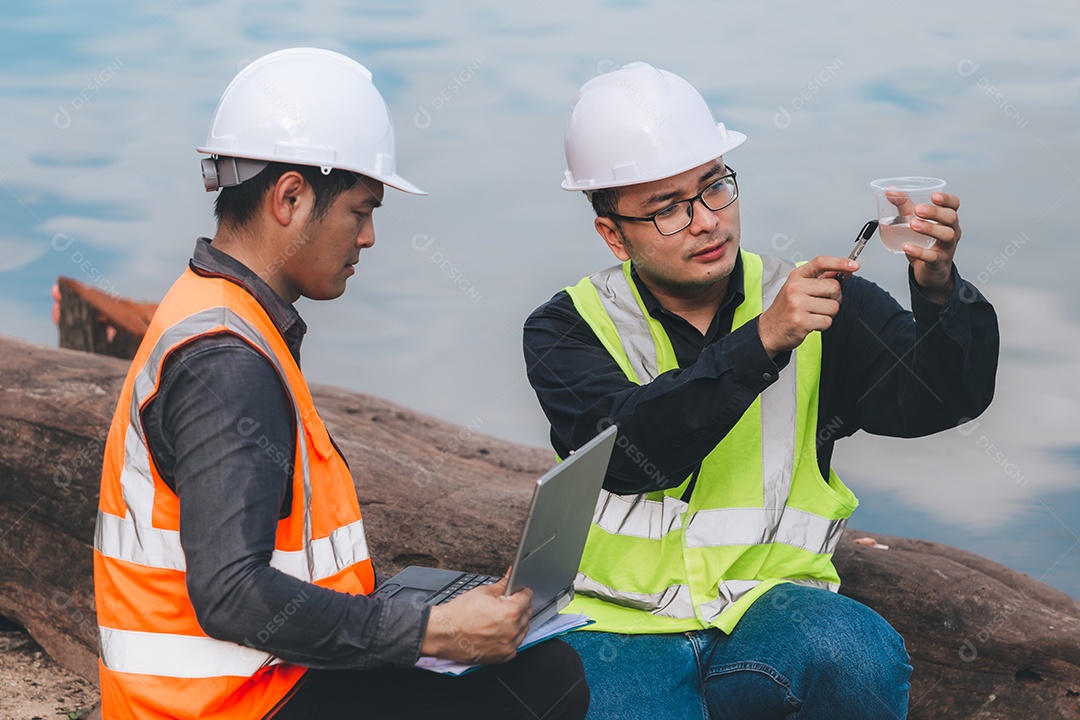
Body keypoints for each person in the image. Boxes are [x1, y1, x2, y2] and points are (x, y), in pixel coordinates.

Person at [93, 48, 588, 720]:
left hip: (237, 688)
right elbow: (231, 596)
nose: (370, 237)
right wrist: (431, 631)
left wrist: (420, 614)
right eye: (361, 211)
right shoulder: (227, 361)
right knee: (542, 679)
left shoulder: (212, 309)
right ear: (291, 198)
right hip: (223, 705)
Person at [523, 62, 998, 719]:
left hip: (771, 608)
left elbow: (943, 399)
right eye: (667, 209)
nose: (705, 221)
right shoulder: (565, 327)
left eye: (714, 187)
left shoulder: (825, 304)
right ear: (613, 234)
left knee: (854, 653)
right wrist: (763, 342)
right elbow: (630, 456)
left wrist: (940, 289)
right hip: (616, 626)